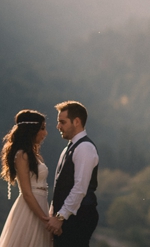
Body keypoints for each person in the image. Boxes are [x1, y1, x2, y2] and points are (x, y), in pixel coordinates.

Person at [0, 110, 53, 247]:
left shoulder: (35, 155)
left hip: (41, 205)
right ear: (31, 130)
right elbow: (27, 193)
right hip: (30, 210)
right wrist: (45, 220)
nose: (45, 133)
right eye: (42, 129)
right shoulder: (22, 155)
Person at [47, 101, 98, 247]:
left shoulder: (85, 148)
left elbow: (80, 188)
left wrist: (60, 217)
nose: (58, 126)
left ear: (76, 121)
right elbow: (60, 186)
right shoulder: (69, 148)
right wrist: (54, 215)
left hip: (78, 218)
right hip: (68, 218)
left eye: (62, 122)